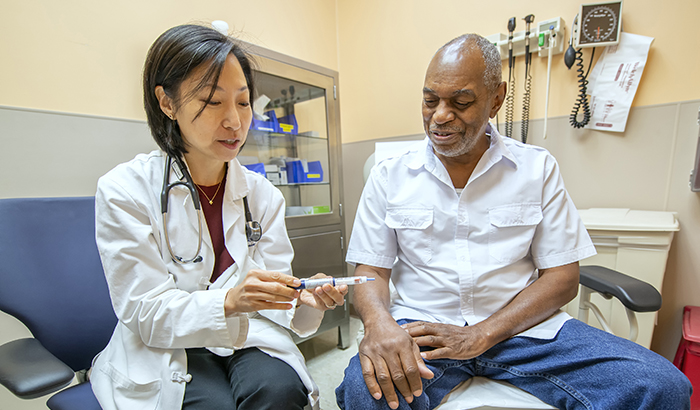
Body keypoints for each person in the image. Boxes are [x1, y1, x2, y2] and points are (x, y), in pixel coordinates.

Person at [336, 34, 691, 410]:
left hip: (523, 333)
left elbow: (561, 277)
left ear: (497, 99)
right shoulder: (390, 175)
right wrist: (378, 325)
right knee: (367, 394)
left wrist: (481, 334)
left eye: (461, 102)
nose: (440, 115)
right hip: (424, 334)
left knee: (662, 386)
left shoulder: (536, 168)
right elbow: (370, 270)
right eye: (429, 100)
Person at [90, 23, 347, 410]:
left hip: (248, 334)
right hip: (166, 342)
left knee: (279, 392)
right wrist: (229, 301)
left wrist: (304, 299)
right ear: (167, 103)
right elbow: (145, 310)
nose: (234, 121)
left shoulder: (263, 195)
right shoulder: (124, 190)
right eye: (212, 101)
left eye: (243, 102)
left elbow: (275, 292)